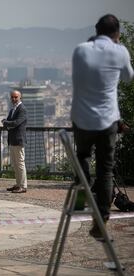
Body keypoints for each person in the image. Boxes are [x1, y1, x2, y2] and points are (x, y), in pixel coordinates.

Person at [71, 14, 134, 239]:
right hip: (107, 121)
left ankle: (81, 200)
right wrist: (118, 47)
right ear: (116, 33)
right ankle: (102, 220)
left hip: (82, 119)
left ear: (96, 31)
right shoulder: (120, 51)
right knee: (105, 170)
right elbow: (128, 77)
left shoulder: (80, 50)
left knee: (82, 159)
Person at [2, 90, 28, 193]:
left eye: (15, 97)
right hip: (12, 139)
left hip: (18, 139)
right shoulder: (13, 109)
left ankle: (23, 186)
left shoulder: (22, 109)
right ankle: (18, 184)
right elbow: (9, 122)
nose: (13, 99)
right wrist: (5, 122)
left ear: (20, 97)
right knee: (15, 163)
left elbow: (16, 123)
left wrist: (5, 122)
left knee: (20, 163)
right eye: (12, 97)